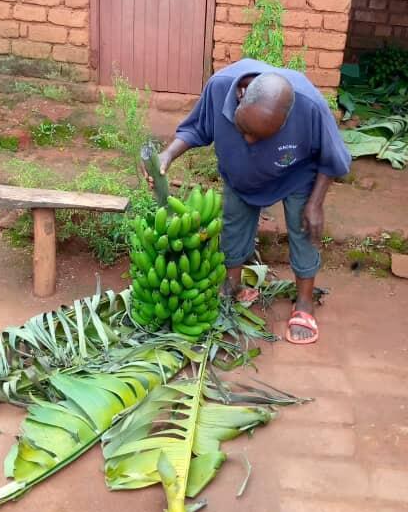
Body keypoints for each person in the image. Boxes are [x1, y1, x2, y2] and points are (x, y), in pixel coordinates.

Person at [145, 59, 351, 345]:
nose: (250, 140)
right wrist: (167, 155)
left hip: (294, 177)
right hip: (240, 178)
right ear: (241, 95)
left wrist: (315, 203)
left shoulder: (309, 105)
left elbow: (333, 158)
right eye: (244, 130)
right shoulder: (220, 88)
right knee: (233, 227)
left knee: (302, 231)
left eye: (260, 135)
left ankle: (304, 302)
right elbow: (197, 129)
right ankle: (233, 286)